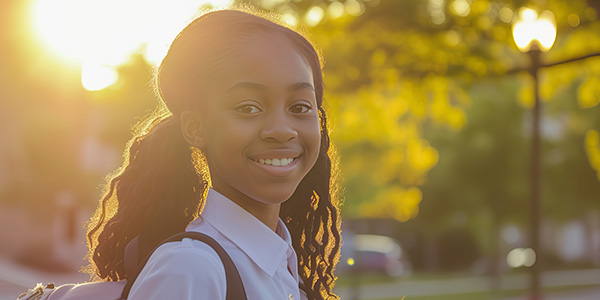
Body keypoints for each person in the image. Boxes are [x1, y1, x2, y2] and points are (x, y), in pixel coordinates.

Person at [84, 6, 342, 300]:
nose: (282, 130)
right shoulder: (191, 268)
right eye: (249, 107)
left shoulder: (283, 269)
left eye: (300, 107)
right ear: (196, 128)